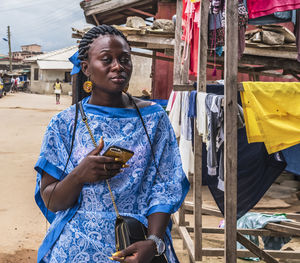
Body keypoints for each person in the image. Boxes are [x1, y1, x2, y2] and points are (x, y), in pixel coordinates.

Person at [34, 25, 189, 263]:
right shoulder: (64, 124)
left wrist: (155, 241)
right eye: (107, 59)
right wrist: (79, 175)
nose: (118, 66)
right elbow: (52, 201)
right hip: (76, 249)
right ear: (86, 68)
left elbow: (166, 186)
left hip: (140, 245)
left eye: (124, 59)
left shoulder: (154, 118)